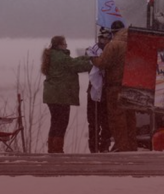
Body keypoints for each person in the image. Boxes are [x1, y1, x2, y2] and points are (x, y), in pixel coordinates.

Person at [91, 21, 137, 152]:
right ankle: (132, 147)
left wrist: (92, 57)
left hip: (115, 86)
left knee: (117, 119)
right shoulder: (133, 42)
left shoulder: (113, 45)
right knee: (130, 118)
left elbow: (102, 63)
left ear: (113, 32)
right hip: (130, 86)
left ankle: (122, 147)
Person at [41, 35, 92, 153]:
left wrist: (86, 57)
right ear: (59, 45)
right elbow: (76, 65)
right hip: (61, 96)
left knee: (55, 122)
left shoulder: (53, 55)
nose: (66, 46)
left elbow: (73, 61)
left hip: (52, 95)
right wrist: (93, 62)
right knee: (62, 123)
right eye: (65, 44)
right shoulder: (61, 58)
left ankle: (52, 149)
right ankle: (58, 149)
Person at [86, 27, 112, 153]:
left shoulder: (110, 51)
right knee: (94, 121)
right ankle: (94, 146)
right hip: (94, 91)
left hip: (106, 91)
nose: (104, 40)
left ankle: (104, 145)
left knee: (106, 121)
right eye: (102, 38)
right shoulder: (92, 51)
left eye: (106, 38)